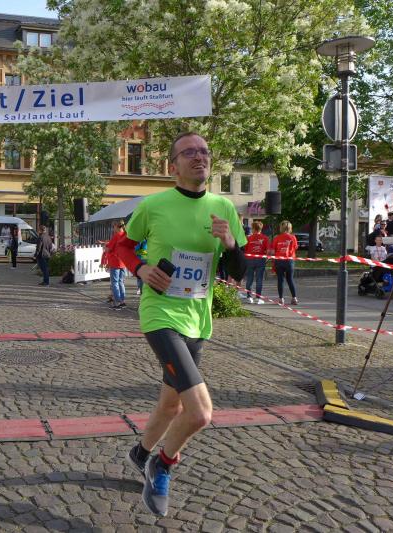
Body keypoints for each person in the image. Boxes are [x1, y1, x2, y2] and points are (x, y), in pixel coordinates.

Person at [113, 132, 247, 517]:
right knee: (200, 413)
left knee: (171, 404)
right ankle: (163, 464)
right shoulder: (154, 205)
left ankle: (140, 453)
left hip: (197, 320)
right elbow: (121, 246)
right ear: (173, 165)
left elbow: (239, 272)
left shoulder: (223, 208)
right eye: (189, 152)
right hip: (160, 314)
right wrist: (141, 268)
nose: (199, 156)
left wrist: (231, 244)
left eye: (204, 151)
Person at [270, 220, 299, 305]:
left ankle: (281, 299)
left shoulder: (277, 238)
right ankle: (294, 298)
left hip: (279, 261)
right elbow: (295, 247)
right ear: (290, 228)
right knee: (290, 279)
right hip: (289, 260)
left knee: (280, 280)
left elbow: (273, 250)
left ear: (281, 228)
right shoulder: (293, 237)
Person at [102, 220, 128, 309]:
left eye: (113, 227)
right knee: (121, 282)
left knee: (115, 283)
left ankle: (117, 302)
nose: (113, 228)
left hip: (115, 261)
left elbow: (109, 249)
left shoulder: (116, 236)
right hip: (123, 261)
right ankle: (123, 301)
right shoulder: (126, 235)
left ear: (116, 226)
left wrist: (105, 247)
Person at [244, 220, 269, 304]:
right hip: (260, 260)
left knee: (249, 279)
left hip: (250, 259)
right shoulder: (265, 238)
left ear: (253, 228)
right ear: (261, 229)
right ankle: (258, 298)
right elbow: (267, 250)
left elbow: (246, 249)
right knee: (259, 279)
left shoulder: (249, 238)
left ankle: (249, 297)